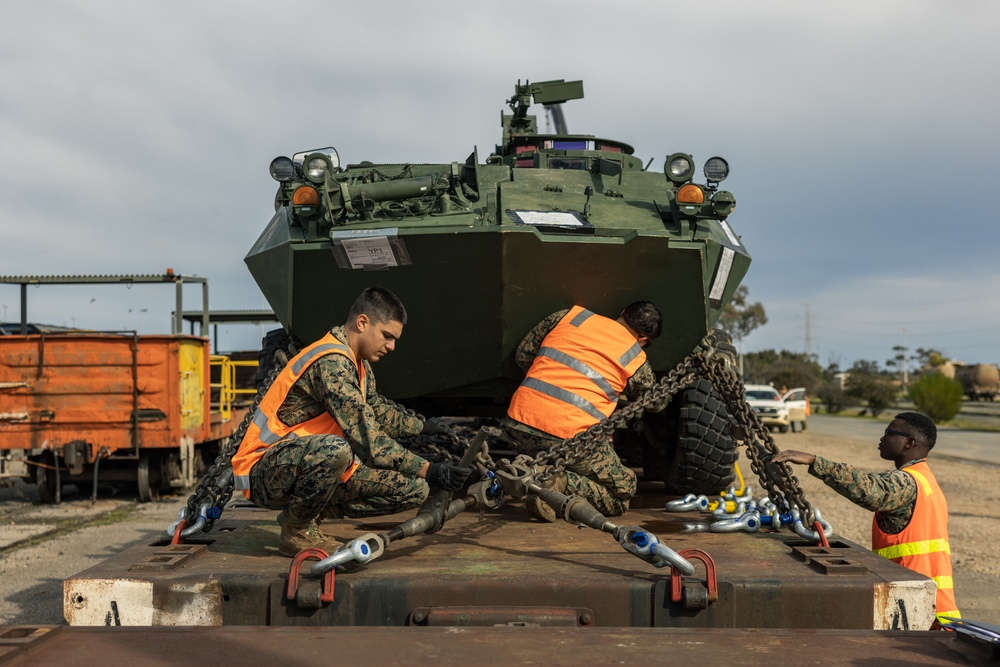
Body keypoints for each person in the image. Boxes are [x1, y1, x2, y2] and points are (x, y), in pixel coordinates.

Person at [231, 287, 471, 557]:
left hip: (304, 464)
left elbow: (375, 409)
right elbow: (371, 442)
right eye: (387, 336)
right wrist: (431, 469)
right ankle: (296, 532)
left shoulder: (357, 362)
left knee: (414, 490)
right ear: (363, 322)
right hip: (265, 470)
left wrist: (422, 427)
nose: (392, 346)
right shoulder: (331, 362)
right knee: (336, 451)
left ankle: (302, 516)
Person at [772, 411, 960, 625]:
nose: (882, 438)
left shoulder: (907, 483)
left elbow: (871, 491)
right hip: (927, 605)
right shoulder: (925, 481)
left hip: (918, 610)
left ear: (909, 442)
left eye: (889, 433)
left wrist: (814, 461)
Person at [501, 301, 661, 520]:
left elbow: (523, 355)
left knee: (563, 456)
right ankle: (555, 484)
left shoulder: (569, 316)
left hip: (518, 423)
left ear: (622, 313)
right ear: (643, 340)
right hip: (570, 436)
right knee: (623, 491)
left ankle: (540, 472)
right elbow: (655, 402)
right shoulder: (635, 356)